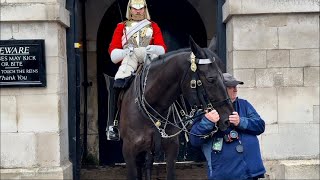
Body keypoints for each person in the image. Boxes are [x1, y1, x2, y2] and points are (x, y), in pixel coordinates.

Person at [106, 0, 167, 140]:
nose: (138, 11)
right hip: (129, 59)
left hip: (149, 59)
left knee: (168, 79)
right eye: (135, 8)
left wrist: (151, 49)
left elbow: (162, 48)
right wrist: (125, 52)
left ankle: (179, 116)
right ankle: (112, 124)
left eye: (141, 8)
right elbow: (113, 51)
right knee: (117, 81)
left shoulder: (153, 26)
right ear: (130, 9)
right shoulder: (121, 27)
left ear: (145, 9)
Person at [190, 73, 266, 180]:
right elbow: (194, 139)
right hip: (225, 173)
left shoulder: (244, 104)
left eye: (236, 86)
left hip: (250, 171)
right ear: (220, 89)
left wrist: (241, 121)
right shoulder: (206, 109)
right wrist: (207, 121)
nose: (235, 89)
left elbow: (260, 126)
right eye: (231, 87)